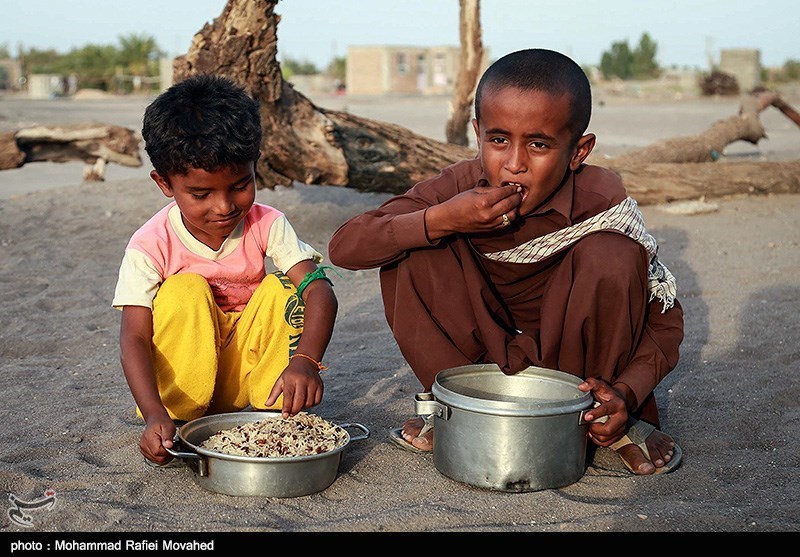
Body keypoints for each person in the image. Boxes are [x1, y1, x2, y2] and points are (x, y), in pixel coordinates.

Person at [328, 49, 684, 475]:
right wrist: (443, 219)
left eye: (539, 145)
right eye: (498, 141)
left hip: (574, 360)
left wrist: (626, 391)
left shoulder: (603, 204)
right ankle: (459, 404)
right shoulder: (459, 187)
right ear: (477, 134)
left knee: (613, 254)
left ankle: (600, 415)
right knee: (410, 244)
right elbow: (346, 247)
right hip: (480, 350)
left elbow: (664, 321)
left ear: (578, 151)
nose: (514, 165)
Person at [113, 75, 338, 466]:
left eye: (240, 185)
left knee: (287, 287)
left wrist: (307, 360)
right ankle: (178, 416)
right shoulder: (149, 243)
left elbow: (320, 290)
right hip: (182, 388)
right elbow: (133, 336)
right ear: (164, 183)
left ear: (255, 167)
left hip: (247, 379)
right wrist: (152, 414)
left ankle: (274, 406)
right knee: (183, 289)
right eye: (201, 194)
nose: (224, 206)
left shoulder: (267, 223)